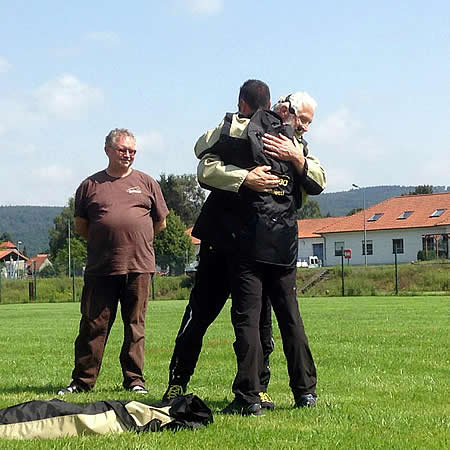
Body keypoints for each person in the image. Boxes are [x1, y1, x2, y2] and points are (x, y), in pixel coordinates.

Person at [199, 91, 326, 416]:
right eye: (304, 121)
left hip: (247, 243)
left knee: (248, 321)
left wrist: (241, 176)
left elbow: (202, 155)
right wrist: (296, 159)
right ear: (285, 109)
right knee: (289, 318)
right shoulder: (296, 145)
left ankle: (250, 397)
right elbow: (318, 182)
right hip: (282, 242)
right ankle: (305, 392)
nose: (306, 128)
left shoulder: (241, 130)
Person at [162, 80, 279, 409]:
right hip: (251, 242)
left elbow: (201, 153)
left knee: (203, 316)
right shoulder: (281, 137)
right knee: (254, 321)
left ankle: (178, 384)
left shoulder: (229, 130)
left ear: (241, 103)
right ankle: (258, 387)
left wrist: (231, 134)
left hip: (230, 241)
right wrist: (247, 177)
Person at [58, 128, 169, 395]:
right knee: (93, 324)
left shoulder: (148, 183)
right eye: (122, 150)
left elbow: (160, 223)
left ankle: (135, 381)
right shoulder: (89, 186)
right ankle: (83, 381)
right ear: (107, 150)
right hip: (102, 268)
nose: (128, 155)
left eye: (132, 151)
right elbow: (82, 227)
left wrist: (135, 241)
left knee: (135, 326)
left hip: (139, 266)